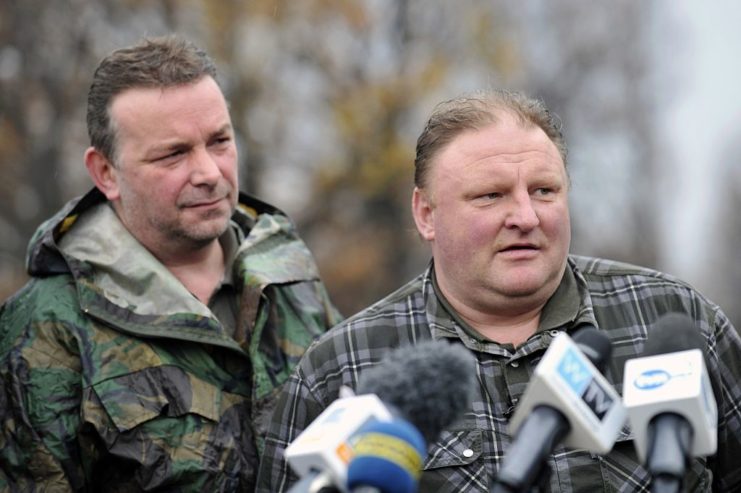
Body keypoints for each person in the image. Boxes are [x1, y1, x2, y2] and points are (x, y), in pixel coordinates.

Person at [256, 89, 741, 492]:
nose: (526, 217)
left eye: (544, 191)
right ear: (426, 214)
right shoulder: (341, 369)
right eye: (491, 195)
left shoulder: (675, 321)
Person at [0, 35, 341, 492]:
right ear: (106, 173)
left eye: (219, 141)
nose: (208, 173)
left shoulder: (291, 281)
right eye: (173, 154)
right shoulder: (46, 327)